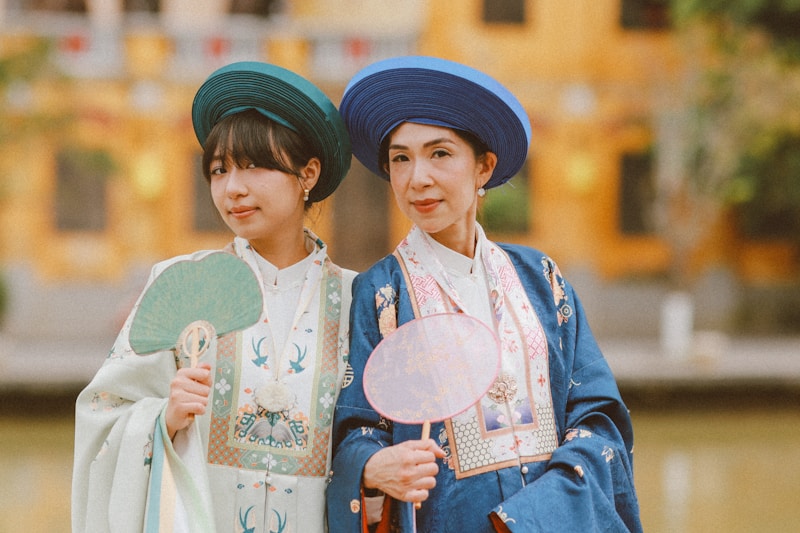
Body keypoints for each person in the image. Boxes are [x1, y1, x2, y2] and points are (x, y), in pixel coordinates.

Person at [326, 56, 642, 532]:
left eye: (440, 153)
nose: (418, 179)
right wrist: (373, 466)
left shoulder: (542, 278)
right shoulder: (380, 295)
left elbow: (599, 418)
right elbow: (354, 429)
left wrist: (530, 518)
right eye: (400, 158)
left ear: (483, 168)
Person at [72, 61, 355, 533]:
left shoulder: (359, 299)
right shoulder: (183, 281)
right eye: (218, 170)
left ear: (308, 173)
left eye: (254, 166)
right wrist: (164, 417)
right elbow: (102, 414)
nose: (232, 189)